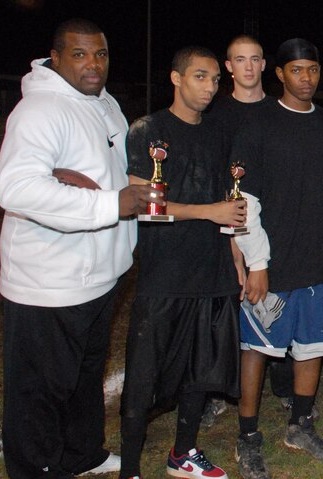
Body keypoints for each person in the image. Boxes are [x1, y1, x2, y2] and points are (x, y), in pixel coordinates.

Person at [0, 18, 163, 478]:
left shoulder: (103, 102)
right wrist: (112, 203)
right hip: (50, 282)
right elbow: (16, 189)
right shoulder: (40, 110)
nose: (93, 64)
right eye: (80, 54)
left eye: (101, 54)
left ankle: (80, 454)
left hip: (99, 277)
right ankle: (33, 469)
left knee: (85, 377)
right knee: (40, 389)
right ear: (56, 56)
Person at [120, 46, 245, 479]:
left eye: (214, 79)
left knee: (201, 368)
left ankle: (183, 454)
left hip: (212, 270)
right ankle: (130, 469)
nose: (210, 87)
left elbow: (226, 204)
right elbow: (142, 202)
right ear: (176, 78)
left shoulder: (218, 133)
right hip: (165, 273)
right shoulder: (148, 130)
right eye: (200, 77)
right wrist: (208, 211)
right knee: (144, 377)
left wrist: (236, 258)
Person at [232, 38, 323, 463]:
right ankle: (248, 434)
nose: (306, 78)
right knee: (258, 347)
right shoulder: (258, 123)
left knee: (314, 346)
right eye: (296, 70)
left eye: (313, 70)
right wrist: (256, 262)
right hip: (273, 259)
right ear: (279, 74)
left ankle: (300, 425)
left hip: (321, 258)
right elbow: (245, 200)